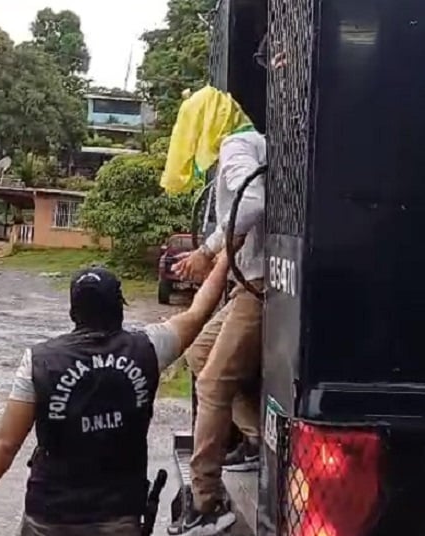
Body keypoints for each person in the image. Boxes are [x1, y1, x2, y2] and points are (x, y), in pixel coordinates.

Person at [0, 255, 231, 536]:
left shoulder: (39, 361)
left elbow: (5, 443)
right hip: (118, 517)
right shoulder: (149, 348)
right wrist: (226, 256)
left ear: (73, 312)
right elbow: (198, 313)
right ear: (118, 308)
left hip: (49, 517)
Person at [160, 85, 267, 535]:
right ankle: (259, 440)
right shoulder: (256, 140)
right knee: (199, 353)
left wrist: (206, 251)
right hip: (249, 282)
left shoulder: (235, 146)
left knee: (210, 383)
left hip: (260, 286)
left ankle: (206, 499)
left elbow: (254, 204)